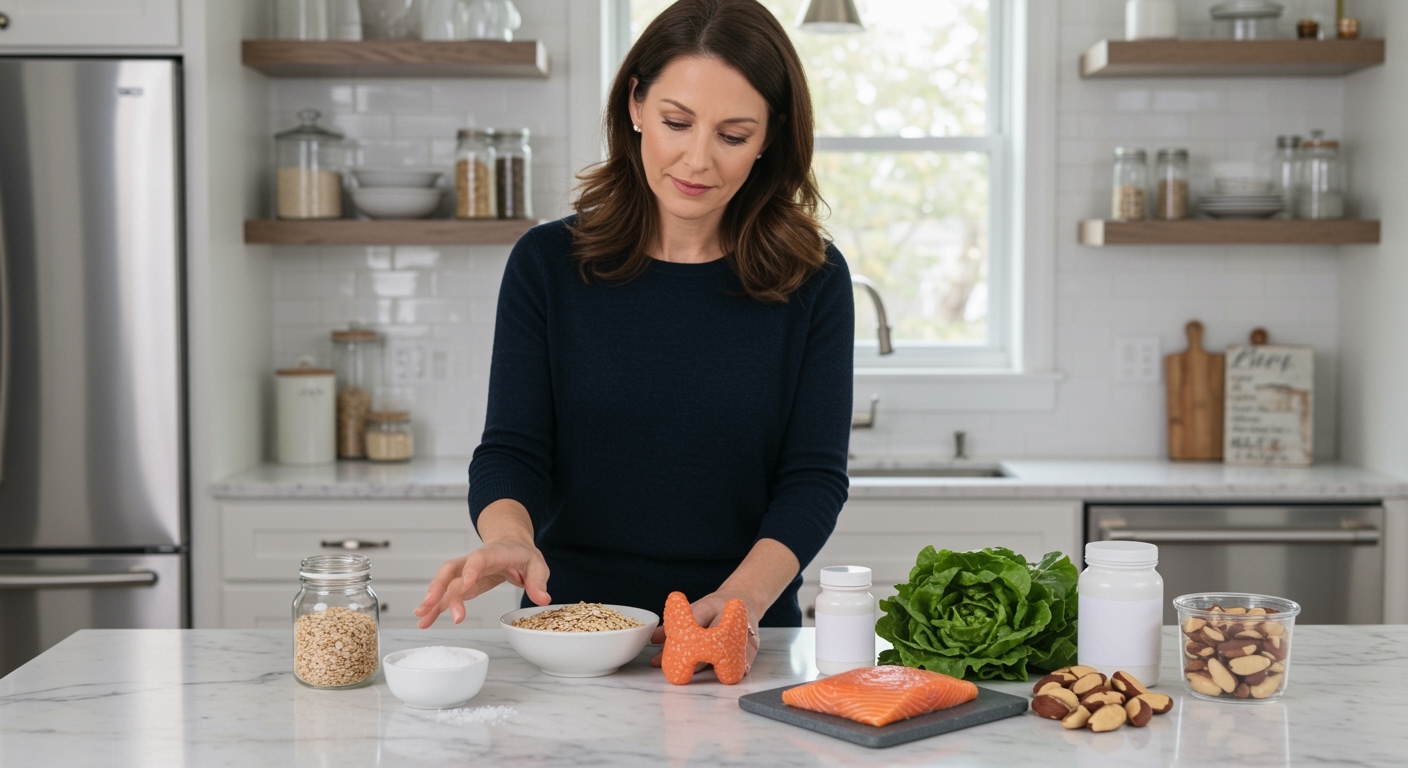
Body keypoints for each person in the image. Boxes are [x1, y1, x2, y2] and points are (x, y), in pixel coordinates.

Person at [414, 0, 853, 672]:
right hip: (574, 635)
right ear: (636, 106)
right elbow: (513, 448)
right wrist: (508, 538)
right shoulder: (547, 265)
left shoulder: (813, 279)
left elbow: (813, 479)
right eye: (677, 122)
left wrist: (742, 598)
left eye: (733, 135)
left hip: (740, 637)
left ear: (770, 138)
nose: (698, 159)